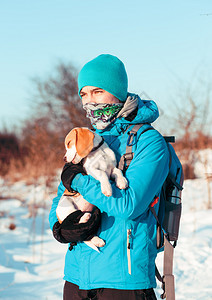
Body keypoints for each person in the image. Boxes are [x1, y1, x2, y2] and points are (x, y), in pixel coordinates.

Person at [49, 54, 169, 300]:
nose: (90, 102)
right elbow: (62, 198)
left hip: (123, 281)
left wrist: (79, 179)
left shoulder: (149, 142)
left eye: (98, 92)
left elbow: (129, 205)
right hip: (76, 278)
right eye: (84, 94)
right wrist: (61, 228)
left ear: (118, 92)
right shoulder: (85, 140)